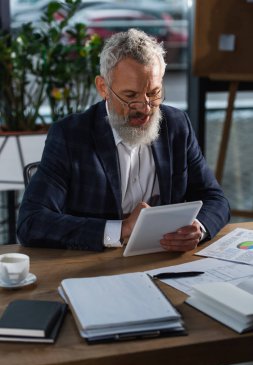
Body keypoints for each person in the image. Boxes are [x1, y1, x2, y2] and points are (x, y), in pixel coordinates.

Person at [17, 28, 230, 251]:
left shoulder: (177, 125)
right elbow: (31, 223)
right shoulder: (70, 135)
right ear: (103, 88)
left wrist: (199, 227)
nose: (145, 108)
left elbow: (215, 199)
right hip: (92, 267)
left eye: (154, 93)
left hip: (162, 260)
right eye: (130, 96)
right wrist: (122, 229)